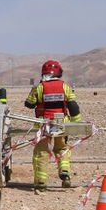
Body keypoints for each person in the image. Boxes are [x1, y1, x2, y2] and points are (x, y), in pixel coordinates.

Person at [23, 60, 81, 190]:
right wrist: (76, 122)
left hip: (43, 124)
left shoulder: (39, 87)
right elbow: (73, 105)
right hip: (61, 122)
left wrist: (34, 93)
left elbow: (29, 104)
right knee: (61, 148)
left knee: (41, 151)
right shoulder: (65, 87)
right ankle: (65, 173)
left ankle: (41, 181)